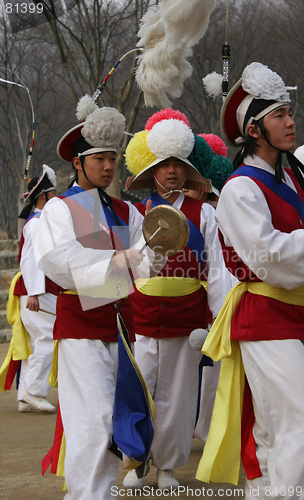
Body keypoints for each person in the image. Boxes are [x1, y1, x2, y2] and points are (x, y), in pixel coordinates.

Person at [32, 97, 164, 500]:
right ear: (78, 162)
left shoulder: (126, 210)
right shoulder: (61, 208)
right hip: (81, 328)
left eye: (113, 158)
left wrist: (157, 249)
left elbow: (146, 260)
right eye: (100, 158)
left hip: (122, 328)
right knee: (94, 423)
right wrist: (115, 259)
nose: (109, 166)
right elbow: (57, 262)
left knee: (116, 421)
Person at [196, 62, 304, 499]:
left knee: (278, 426)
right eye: (279, 115)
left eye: (290, 112)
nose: (291, 121)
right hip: (265, 318)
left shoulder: (294, 177)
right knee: (295, 421)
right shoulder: (241, 189)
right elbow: (269, 258)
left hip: (293, 314)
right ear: (255, 129)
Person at [123, 108, 233, 490]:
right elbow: (131, 268)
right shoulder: (137, 213)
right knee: (142, 387)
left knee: (179, 393)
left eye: (178, 164)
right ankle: (138, 459)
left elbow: (216, 267)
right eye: (164, 164)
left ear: (187, 169)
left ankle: (168, 466)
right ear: (152, 171)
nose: (171, 171)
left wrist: (220, 316)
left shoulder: (204, 213)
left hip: (188, 317)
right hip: (143, 314)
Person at [0, 165, 58, 412]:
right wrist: (34, 292)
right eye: (53, 193)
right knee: (46, 338)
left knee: (38, 341)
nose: (57, 197)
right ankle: (33, 391)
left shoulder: (39, 221)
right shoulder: (36, 224)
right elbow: (29, 260)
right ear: (43, 195)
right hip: (36, 292)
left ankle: (26, 394)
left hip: (37, 291)